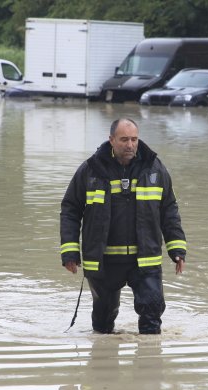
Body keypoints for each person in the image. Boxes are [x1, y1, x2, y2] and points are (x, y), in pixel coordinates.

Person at [60, 118, 187, 334]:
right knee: (102, 322)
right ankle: (102, 363)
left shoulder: (154, 169)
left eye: (134, 139)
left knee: (152, 315)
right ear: (111, 140)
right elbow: (70, 210)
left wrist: (177, 249)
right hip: (104, 261)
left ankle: (149, 362)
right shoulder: (91, 170)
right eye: (124, 139)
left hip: (145, 259)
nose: (130, 145)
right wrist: (70, 251)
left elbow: (169, 209)